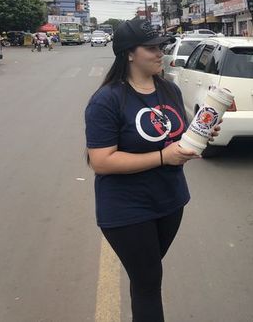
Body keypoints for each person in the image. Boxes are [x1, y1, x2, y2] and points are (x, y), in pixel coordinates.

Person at [85, 20, 221, 322]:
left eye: (161, 46)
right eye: (151, 48)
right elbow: (101, 161)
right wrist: (163, 157)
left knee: (145, 273)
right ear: (129, 54)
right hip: (127, 209)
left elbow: (177, 138)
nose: (160, 52)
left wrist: (202, 133)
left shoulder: (169, 89)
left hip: (170, 202)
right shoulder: (107, 100)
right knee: (148, 282)